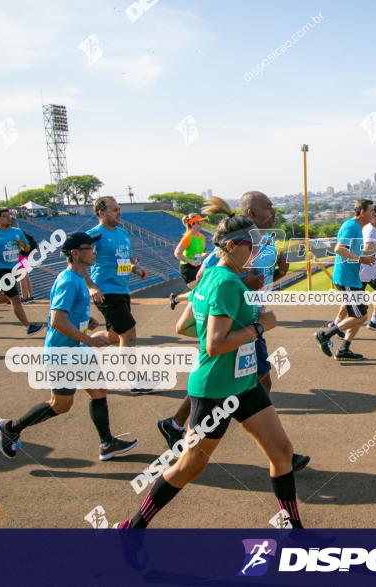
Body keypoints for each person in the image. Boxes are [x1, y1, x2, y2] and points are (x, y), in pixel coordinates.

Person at [114, 206, 306, 530]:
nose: (256, 251)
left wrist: (230, 327)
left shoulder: (209, 276)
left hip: (243, 383)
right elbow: (215, 344)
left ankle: (294, 529)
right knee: (189, 465)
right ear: (231, 246)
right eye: (251, 244)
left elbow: (184, 327)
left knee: (282, 452)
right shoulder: (226, 283)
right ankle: (133, 527)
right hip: (215, 389)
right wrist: (260, 327)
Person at [159, 195, 309, 472]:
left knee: (244, 383)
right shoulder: (231, 247)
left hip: (249, 321)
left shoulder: (262, 243)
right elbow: (210, 280)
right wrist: (245, 292)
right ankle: (278, 452)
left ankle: (177, 426)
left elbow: (258, 281)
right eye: (267, 207)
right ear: (251, 213)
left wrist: (278, 276)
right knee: (255, 382)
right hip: (240, 324)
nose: (273, 211)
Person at [0, 232, 139, 460]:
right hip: (62, 354)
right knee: (60, 405)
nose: (94, 251)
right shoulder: (69, 280)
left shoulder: (79, 278)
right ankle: (11, 428)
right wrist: (89, 339)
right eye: (89, 248)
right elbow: (56, 321)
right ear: (75, 253)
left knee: (99, 391)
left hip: (76, 351)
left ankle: (107, 444)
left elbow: (67, 315)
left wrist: (86, 321)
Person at [85, 196, 151, 394]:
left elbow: (125, 258)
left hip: (122, 289)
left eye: (119, 208)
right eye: (114, 210)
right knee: (129, 334)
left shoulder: (122, 233)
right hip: (106, 291)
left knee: (114, 336)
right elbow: (74, 259)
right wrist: (91, 286)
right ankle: (135, 381)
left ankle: (82, 346)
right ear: (101, 213)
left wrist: (135, 268)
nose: (119, 212)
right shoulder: (94, 235)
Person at [314, 199, 376, 361]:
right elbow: (339, 249)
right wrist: (362, 260)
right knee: (360, 317)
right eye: (371, 211)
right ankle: (325, 335)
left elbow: (349, 251)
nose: (373, 214)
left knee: (359, 315)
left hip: (352, 278)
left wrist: (363, 257)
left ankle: (344, 349)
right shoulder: (351, 226)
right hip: (346, 278)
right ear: (362, 212)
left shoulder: (357, 227)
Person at [0, 209, 44, 335]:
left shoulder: (17, 231)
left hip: (13, 268)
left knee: (1, 297)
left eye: (9, 216)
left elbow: (26, 248)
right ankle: (28, 327)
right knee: (15, 298)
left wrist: (22, 244)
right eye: (5, 216)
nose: (9, 218)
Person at [328, 205, 376, 333]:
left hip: (371, 271)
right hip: (363, 272)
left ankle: (375, 321)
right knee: (352, 304)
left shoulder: (371, 229)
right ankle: (337, 325)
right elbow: (367, 249)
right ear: (373, 216)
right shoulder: (370, 230)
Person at [169, 213, 208, 308]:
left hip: (198, 266)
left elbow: (199, 253)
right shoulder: (187, 237)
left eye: (202, 222)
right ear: (193, 224)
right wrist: (191, 261)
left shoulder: (202, 237)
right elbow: (177, 253)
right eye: (199, 222)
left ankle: (175, 299)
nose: (202, 224)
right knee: (200, 293)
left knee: (201, 292)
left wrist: (204, 255)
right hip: (187, 268)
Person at [11, 217, 36, 304]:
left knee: (22, 278)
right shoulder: (21, 232)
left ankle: (24, 298)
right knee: (26, 277)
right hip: (25, 257)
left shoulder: (14, 234)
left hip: (19, 257)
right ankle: (30, 296)